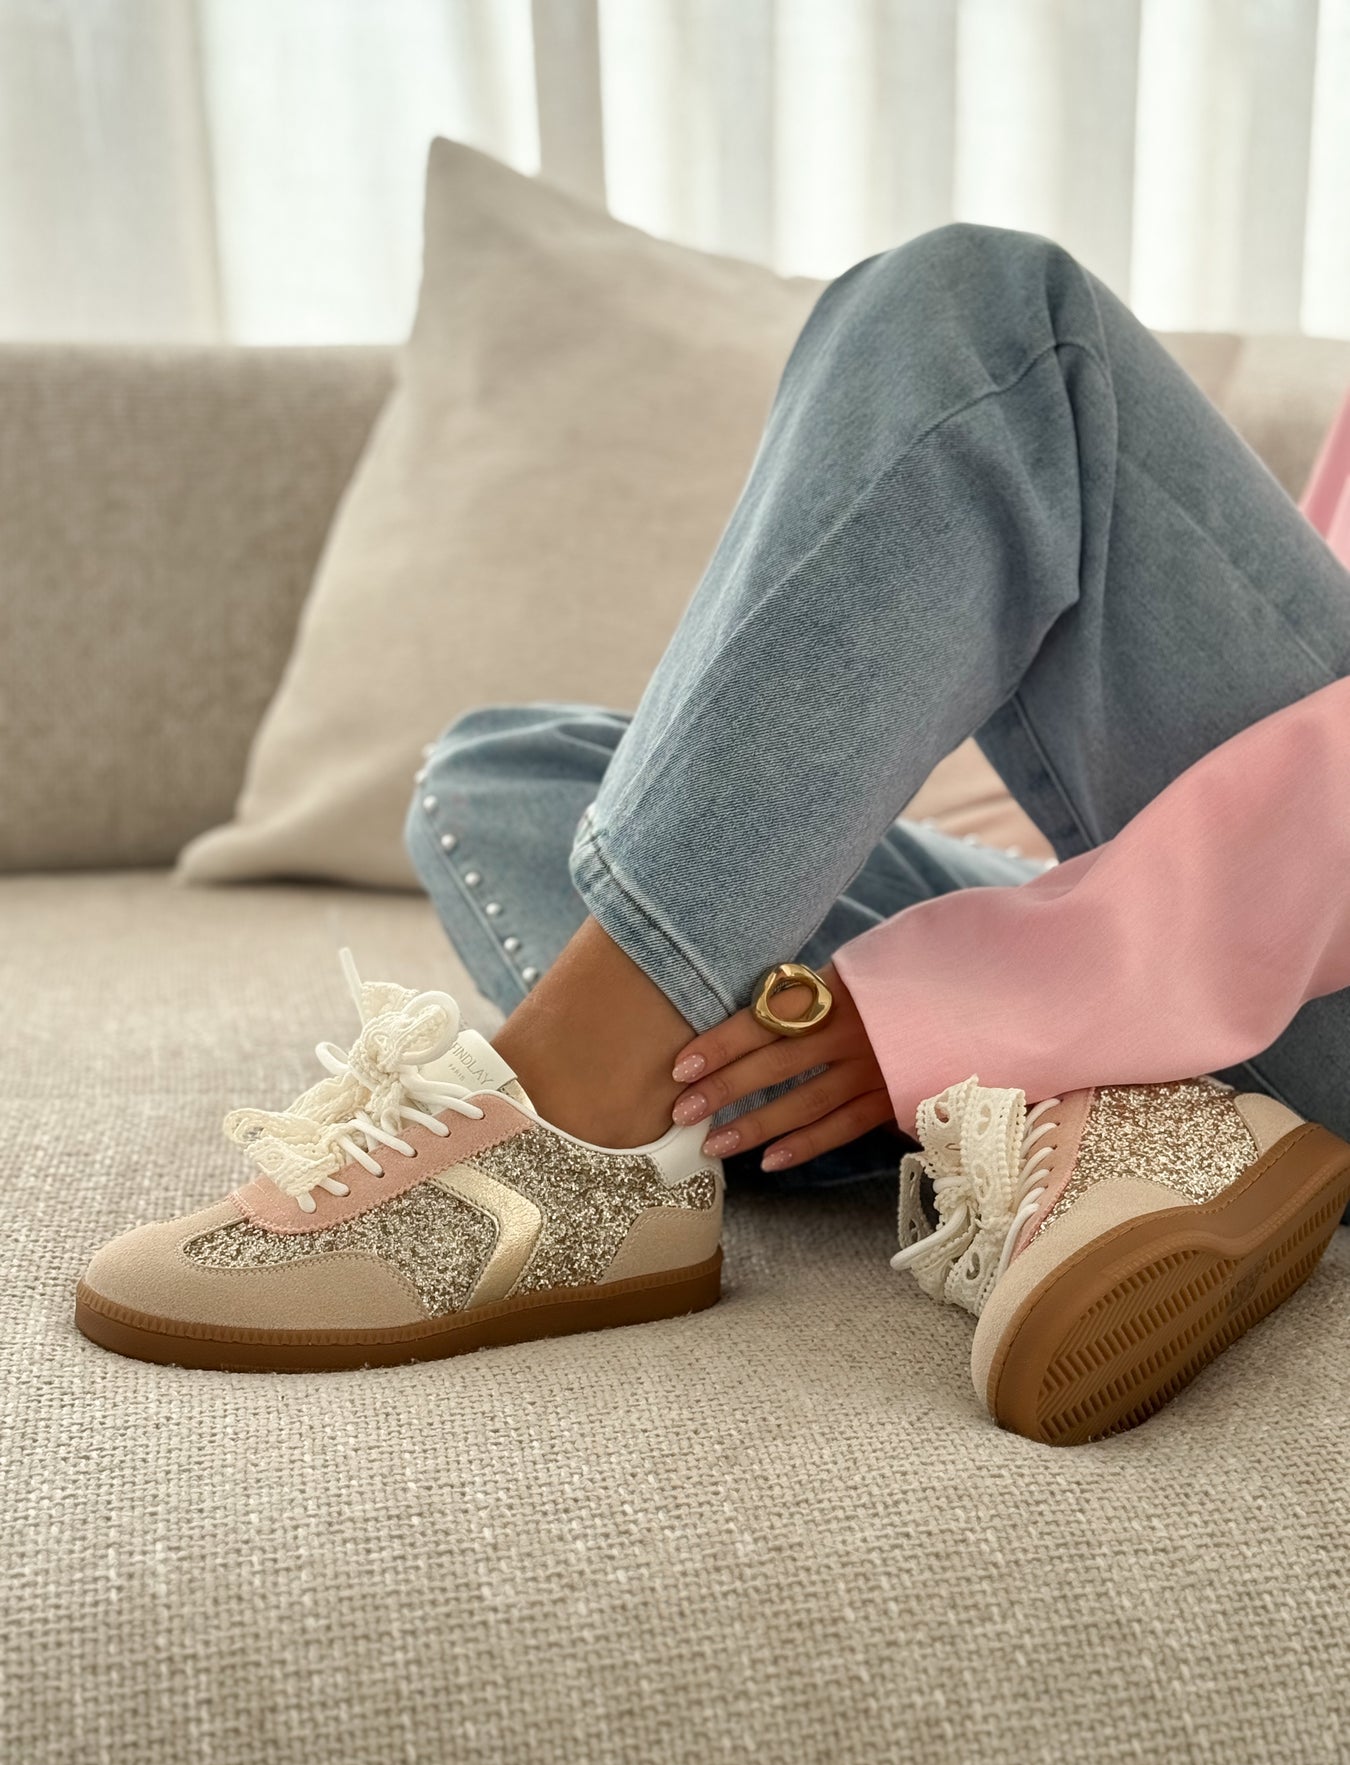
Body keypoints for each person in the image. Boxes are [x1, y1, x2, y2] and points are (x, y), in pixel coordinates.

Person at [75, 225, 1350, 1447]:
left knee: (986, 316)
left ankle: (585, 1129)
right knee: (501, 780)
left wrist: (966, 988)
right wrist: (906, 880)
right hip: (1265, 907)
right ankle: (1114, 1114)